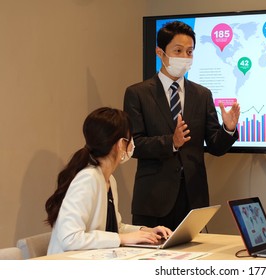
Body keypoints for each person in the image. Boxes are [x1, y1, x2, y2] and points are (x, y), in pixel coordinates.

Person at [123, 21, 240, 230]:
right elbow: (134, 145)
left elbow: (215, 146)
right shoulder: (137, 94)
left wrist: (227, 129)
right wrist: (171, 143)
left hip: (193, 200)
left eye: (189, 52)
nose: (185, 57)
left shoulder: (202, 94)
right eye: (178, 51)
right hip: (153, 201)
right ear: (160, 52)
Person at [45, 107, 172, 255]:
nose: (132, 145)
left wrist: (145, 231)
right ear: (120, 144)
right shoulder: (88, 178)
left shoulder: (109, 179)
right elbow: (70, 238)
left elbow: (114, 227)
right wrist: (123, 238)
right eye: (130, 139)